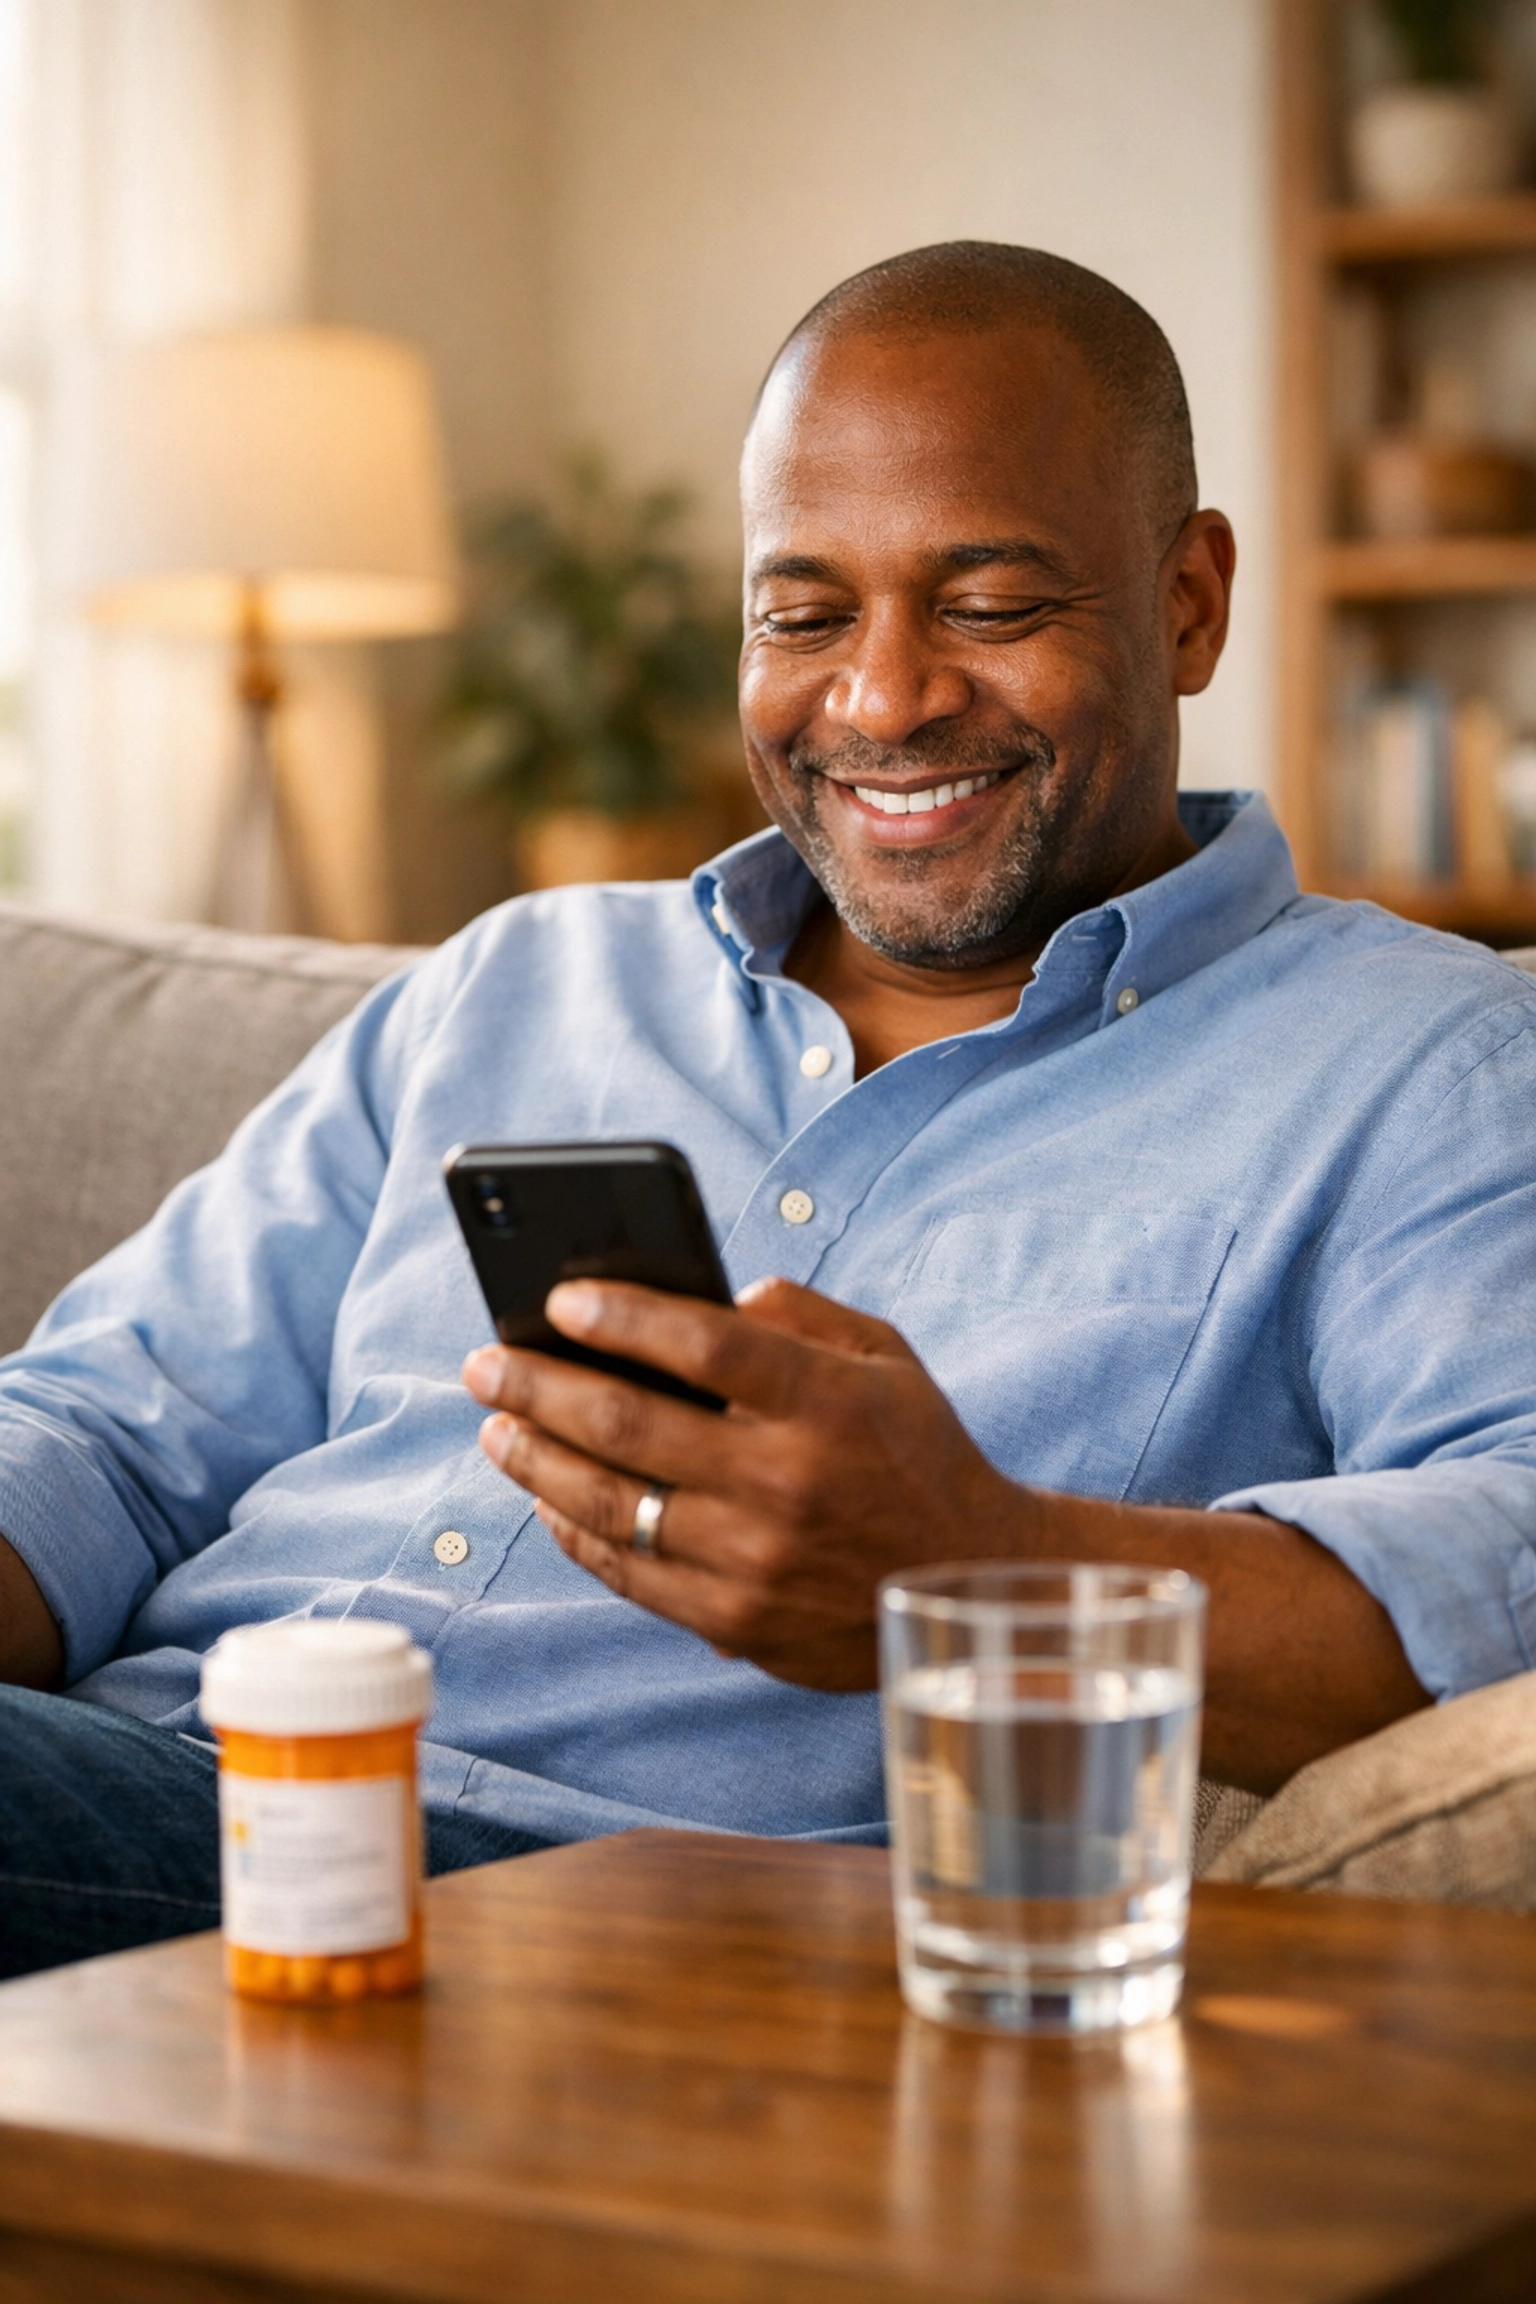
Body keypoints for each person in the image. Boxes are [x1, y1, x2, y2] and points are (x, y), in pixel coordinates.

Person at [2, 242, 1533, 1978]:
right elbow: (100, 1431)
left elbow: (1518, 1536)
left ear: (1187, 601)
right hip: (147, 1778)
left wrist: (988, 1564)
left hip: (594, 1922)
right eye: (804, 616)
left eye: (990, 604)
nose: (880, 702)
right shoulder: (515, 980)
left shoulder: (1421, 1059)